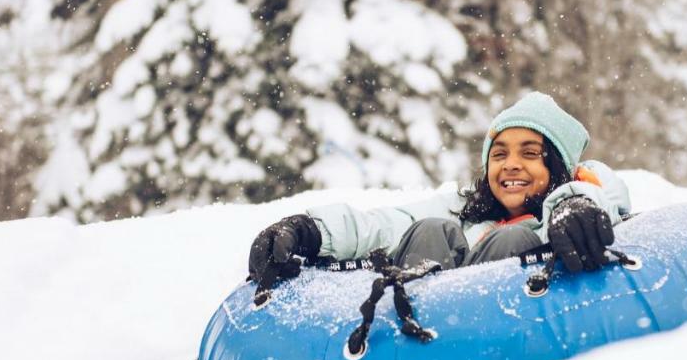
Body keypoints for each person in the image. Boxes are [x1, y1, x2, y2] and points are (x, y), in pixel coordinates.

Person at [248, 92, 631, 285]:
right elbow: (386, 224)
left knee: (513, 238)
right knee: (431, 229)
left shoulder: (582, 191)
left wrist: (572, 208)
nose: (511, 164)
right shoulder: (464, 210)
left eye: (530, 153)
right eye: (499, 154)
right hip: (430, 334)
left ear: (558, 165)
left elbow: (606, 197)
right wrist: (309, 231)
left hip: (519, 329)